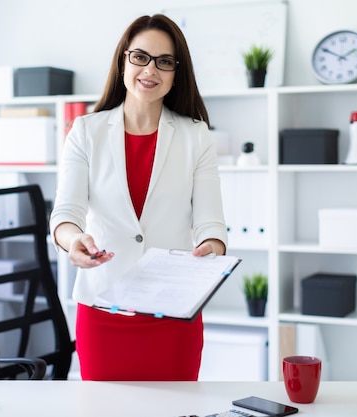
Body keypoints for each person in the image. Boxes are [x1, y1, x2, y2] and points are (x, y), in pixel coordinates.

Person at [49, 13, 227, 381]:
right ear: (123, 60)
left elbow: (211, 223)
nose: (150, 70)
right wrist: (73, 241)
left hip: (174, 314)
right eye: (140, 57)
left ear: (177, 72)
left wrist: (212, 248)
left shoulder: (197, 136)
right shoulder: (86, 131)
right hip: (103, 312)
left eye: (165, 62)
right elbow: (66, 214)